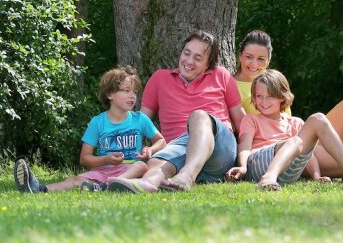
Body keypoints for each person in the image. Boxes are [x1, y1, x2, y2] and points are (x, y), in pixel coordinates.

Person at [234, 29, 343, 169]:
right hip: (278, 150)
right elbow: (245, 133)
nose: (254, 64)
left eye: (261, 59)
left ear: (269, 60)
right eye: (249, 57)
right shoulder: (232, 86)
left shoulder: (272, 83)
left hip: (301, 141)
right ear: (240, 55)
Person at [104, 30, 245, 193]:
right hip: (177, 152)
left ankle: (186, 176)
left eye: (198, 58)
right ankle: (147, 184)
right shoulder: (159, 79)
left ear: (208, 64)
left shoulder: (222, 75)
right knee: (158, 161)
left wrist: (248, 157)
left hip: (219, 150)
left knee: (199, 116)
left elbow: (241, 122)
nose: (189, 61)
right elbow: (139, 123)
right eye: (187, 53)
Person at [13, 66, 165, 193]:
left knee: (141, 166)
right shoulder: (97, 122)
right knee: (76, 180)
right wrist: (106, 159)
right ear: (109, 94)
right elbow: (85, 158)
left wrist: (150, 150)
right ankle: (38, 188)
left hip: (130, 170)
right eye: (126, 91)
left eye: (135, 92)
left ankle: (113, 184)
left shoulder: (140, 119)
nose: (132, 96)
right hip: (102, 171)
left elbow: (161, 141)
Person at [226, 69, 343, 190]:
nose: (263, 101)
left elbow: (308, 154)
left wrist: (316, 176)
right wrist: (243, 166)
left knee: (318, 118)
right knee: (294, 141)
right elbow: (244, 146)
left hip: (288, 172)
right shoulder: (251, 119)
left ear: (282, 97)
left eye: (270, 96)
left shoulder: (295, 122)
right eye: (259, 96)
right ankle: (268, 178)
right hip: (258, 164)